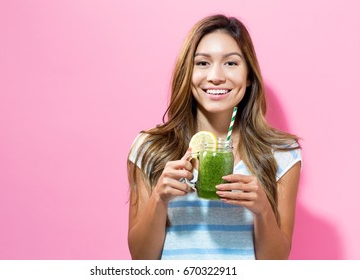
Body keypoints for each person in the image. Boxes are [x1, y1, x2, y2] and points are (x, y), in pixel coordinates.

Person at [127, 14, 302, 260]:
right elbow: (141, 259)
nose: (216, 76)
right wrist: (159, 197)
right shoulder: (149, 148)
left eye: (231, 63)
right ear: (187, 74)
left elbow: (275, 263)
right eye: (202, 63)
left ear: (249, 76)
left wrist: (262, 209)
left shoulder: (282, 153)